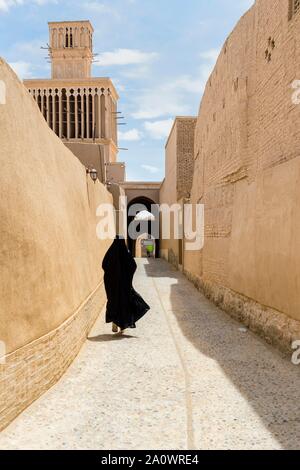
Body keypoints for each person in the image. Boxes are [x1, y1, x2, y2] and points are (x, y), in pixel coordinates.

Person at [102, 236, 150, 334]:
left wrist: (111, 275)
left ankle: (114, 323)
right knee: (124, 304)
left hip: (113, 286)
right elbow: (133, 265)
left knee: (113, 302)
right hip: (124, 286)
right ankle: (122, 326)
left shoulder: (110, 253)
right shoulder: (126, 253)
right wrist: (127, 276)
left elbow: (104, 265)